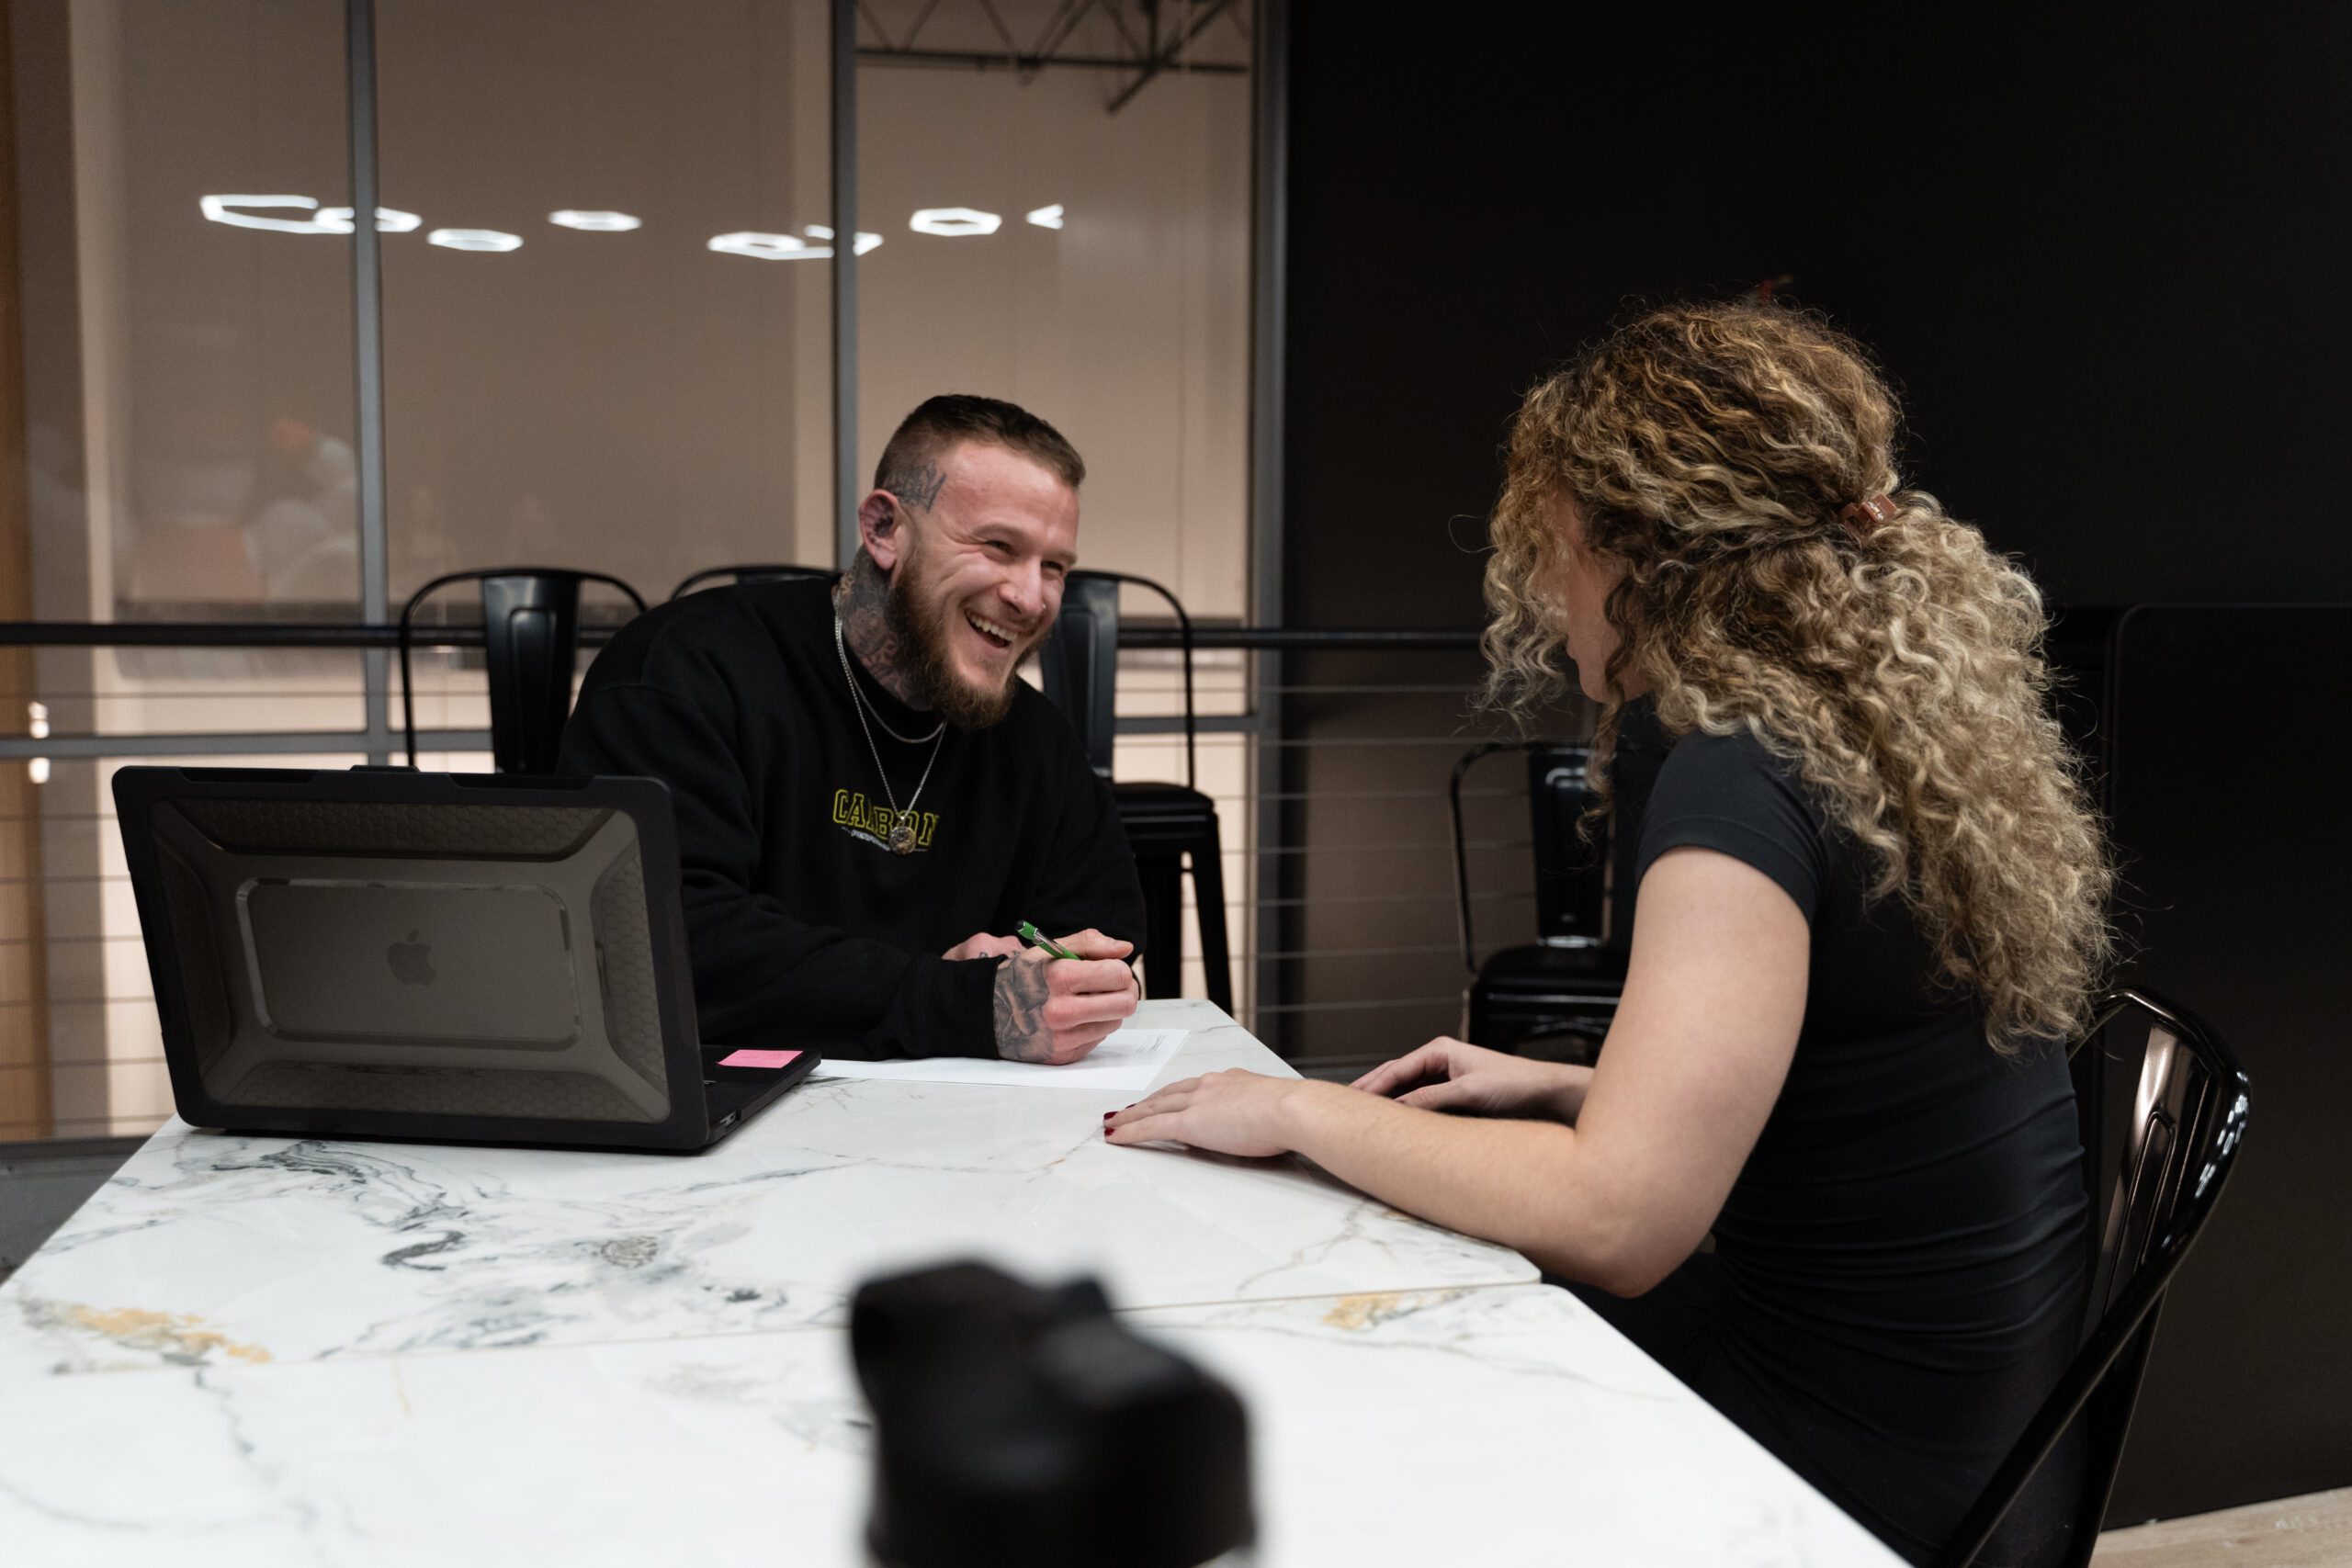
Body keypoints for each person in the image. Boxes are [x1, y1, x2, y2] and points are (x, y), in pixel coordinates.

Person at [1105, 301, 2112, 1566]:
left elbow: (1625, 1222)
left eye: (1558, 541)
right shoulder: (1871, 742)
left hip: (1835, 1473)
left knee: (1351, 1409)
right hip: (1988, 1453)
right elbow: (1862, 1100)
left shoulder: (1733, 772)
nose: (1545, 583)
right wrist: (1583, 1085)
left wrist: (1305, 1111)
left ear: (1643, 549)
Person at [561, 395, 1146, 1063]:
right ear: (883, 529)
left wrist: (1068, 981)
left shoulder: (1036, 742)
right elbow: (663, 945)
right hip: (717, 1127)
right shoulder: (686, 672)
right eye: (997, 546)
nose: (1031, 596)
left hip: (967, 1137)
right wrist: (950, 997)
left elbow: (1108, 941)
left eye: (1055, 566)